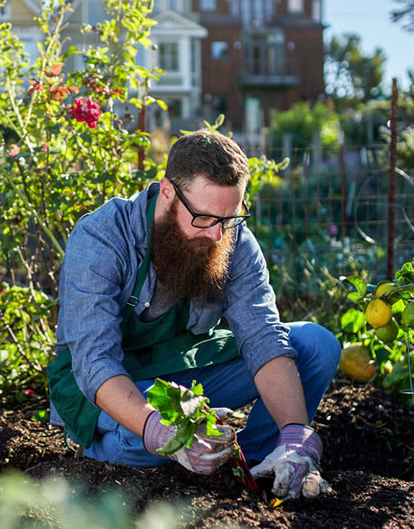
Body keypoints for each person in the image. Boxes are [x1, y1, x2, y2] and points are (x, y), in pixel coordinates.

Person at [46, 129, 341, 500]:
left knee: (316, 345)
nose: (218, 235)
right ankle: (109, 454)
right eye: (204, 218)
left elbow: (262, 335)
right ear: (167, 192)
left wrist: (295, 433)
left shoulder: (231, 237)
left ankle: (260, 465)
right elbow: (95, 362)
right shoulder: (103, 238)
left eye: (230, 218)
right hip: (108, 385)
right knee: (141, 442)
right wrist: (157, 428)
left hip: (182, 371)